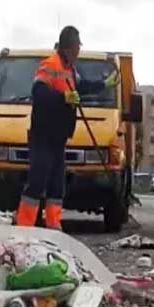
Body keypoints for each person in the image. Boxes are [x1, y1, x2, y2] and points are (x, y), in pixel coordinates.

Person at [15, 26, 117, 229]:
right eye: (77, 46)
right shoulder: (50, 65)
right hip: (43, 135)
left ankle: (53, 224)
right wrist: (64, 97)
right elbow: (39, 93)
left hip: (58, 137)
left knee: (56, 184)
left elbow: (82, 86)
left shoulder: (70, 69)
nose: (79, 50)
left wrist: (104, 84)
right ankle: (24, 225)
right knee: (38, 180)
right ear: (69, 47)